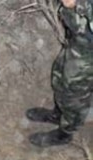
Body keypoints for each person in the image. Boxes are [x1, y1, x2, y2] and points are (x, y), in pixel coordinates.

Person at [26, 0, 93, 147]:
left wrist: (80, 3)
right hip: (80, 39)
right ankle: (59, 114)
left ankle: (65, 133)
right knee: (59, 75)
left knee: (75, 93)